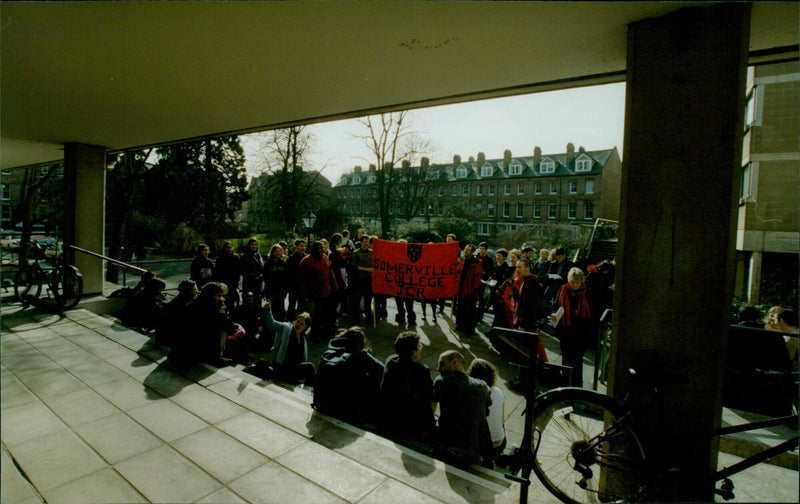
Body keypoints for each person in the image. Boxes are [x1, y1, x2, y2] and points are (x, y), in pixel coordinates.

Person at [314, 326, 385, 426]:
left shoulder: (330, 353)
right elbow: (382, 369)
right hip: (345, 412)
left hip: (322, 404)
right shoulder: (361, 356)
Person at [433, 350, 492, 466]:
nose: (438, 369)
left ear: (455, 363)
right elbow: (485, 413)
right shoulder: (483, 386)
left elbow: (431, 407)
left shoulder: (441, 382)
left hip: (449, 447)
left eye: (441, 364)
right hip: (475, 450)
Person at [380, 332, 435, 444]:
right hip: (407, 419)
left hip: (388, 413)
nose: (421, 348)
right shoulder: (421, 370)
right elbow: (430, 395)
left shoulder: (391, 360)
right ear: (413, 352)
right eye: (419, 346)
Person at [551, 267, 591, 387]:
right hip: (566, 329)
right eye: (572, 282)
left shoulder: (587, 292)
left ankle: (577, 386)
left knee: (577, 360)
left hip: (580, 331)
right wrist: (554, 314)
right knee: (566, 358)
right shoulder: (563, 289)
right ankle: (565, 384)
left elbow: (592, 312)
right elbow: (556, 304)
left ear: (582, 282)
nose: (574, 285)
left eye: (577, 283)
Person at [260, 299, 316, 385]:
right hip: (281, 367)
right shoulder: (286, 328)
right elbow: (272, 324)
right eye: (298, 322)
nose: (298, 325)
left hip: (294, 369)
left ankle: (310, 390)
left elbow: (303, 358)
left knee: (310, 368)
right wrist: (268, 310)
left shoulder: (302, 340)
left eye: (302, 324)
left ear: (305, 327)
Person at [467, 358, 505, 465]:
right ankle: (489, 460)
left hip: (479, 444)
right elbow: (502, 421)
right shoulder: (498, 391)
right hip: (498, 442)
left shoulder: (472, 391)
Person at [299, 240, 337, 340]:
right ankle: (315, 335)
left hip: (326, 292)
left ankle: (326, 333)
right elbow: (303, 280)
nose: (320, 250)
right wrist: (305, 296)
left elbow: (330, 271)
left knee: (327, 315)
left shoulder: (325, 257)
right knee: (316, 316)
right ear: (312, 250)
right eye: (318, 248)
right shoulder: (306, 261)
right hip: (314, 294)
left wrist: (334, 286)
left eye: (321, 248)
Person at [513, 258, 548, 362]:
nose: (517, 269)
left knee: (525, 350)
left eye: (520, 267)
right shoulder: (530, 280)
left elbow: (527, 305)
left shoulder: (529, 282)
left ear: (527, 268)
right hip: (529, 321)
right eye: (516, 267)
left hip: (526, 323)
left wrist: (522, 324)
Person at [156, 278, 197, 346]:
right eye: (193, 290)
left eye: (196, 289)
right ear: (186, 291)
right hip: (172, 339)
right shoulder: (183, 305)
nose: (196, 291)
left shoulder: (179, 300)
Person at [455, 244, 483, 336]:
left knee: (470, 311)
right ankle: (460, 325)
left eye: (468, 250)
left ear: (472, 252)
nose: (466, 251)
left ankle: (470, 329)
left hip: (470, 291)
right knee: (461, 308)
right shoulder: (463, 261)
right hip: (461, 288)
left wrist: (473, 290)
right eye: (465, 249)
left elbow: (477, 279)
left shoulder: (476, 263)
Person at [351, 235, 374, 324]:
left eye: (367, 242)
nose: (366, 244)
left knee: (368, 301)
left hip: (369, 281)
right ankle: (356, 318)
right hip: (358, 280)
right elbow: (355, 266)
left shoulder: (372, 253)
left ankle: (368, 317)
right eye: (364, 242)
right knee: (357, 301)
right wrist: (368, 269)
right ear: (361, 242)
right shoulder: (355, 253)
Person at [263, 243, 289, 321]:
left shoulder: (283, 263)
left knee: (281, 309)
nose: (278, 253)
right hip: (271, 290)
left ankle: (281, 325)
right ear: (272, 252)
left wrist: (285, 289)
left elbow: (287, 277)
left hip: (281, 290)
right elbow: (265, 276)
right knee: (272, 309)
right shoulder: (268, 263)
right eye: (276, 251)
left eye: (280, 251)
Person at [394, 238, 417, 326]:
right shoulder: (394, 255)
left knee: (409, 304)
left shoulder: (411, 255)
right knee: (399, 304)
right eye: (400, 244)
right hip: (397, 283)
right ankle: (401, 317)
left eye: (404, 244)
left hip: (409, 284)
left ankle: (411, 318)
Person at [489, 248, 512, 328]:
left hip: (500, 292)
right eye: (497, 255)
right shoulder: (497, 266)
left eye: (500, 256)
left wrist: (497, 284)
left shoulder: (506, 268)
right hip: (493, 290)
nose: (497, 257)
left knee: (499, 312)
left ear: (504, 257)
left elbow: (504, 280)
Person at [215, 241, 241, 309]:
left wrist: (236, 281)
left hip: (233, 284)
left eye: (230, 247)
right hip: (224, 283)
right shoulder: (219, 259)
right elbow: (217, 272)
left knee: (234, 302)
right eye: (227, 248)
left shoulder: (236, 257)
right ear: (224, 248)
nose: (229, 249)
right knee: (224, 302)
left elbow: (238, 270)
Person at [285, 239, 306, 319]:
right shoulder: (291, 259)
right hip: (293, 287)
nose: (303, 248)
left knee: (302, 306)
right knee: (292, 305)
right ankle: (290, 321)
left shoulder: (307, 258)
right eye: (301, 246)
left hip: (303, 287)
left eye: (304, 246)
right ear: (296, 247)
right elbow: (287, 274)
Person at [240, 238, 263, 304]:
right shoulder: (244, 256)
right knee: (248, 302)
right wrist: (254, 276)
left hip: (258, 283)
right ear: (249, 245)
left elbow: (261, 269)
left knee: (258, 302)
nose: (254, 246)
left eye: (256, 244)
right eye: (252, 245)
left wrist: (260, 276)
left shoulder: (258, 255)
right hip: (248, 283)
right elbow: (243, 270)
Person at [476, 242, 495, 316]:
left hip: (483, 280)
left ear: (486, 250)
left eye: (483, 249)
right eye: (480, 248)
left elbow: (491, 271)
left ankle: (480, 315)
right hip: (475, 280)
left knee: (481, 298)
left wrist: (485, 273)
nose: (481, 250)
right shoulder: (476, 257)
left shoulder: (489, 260)